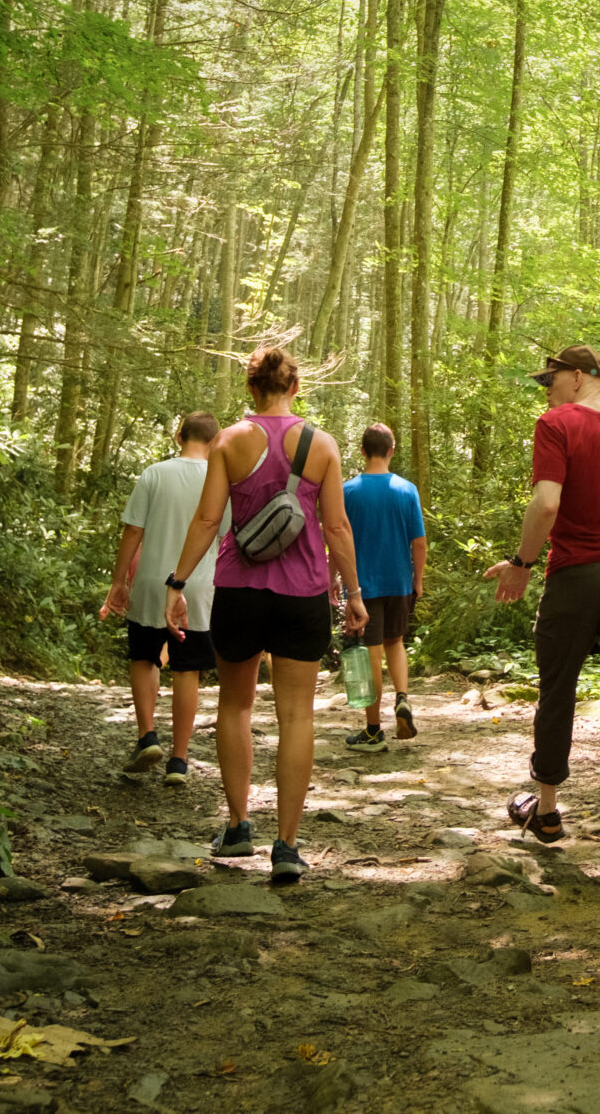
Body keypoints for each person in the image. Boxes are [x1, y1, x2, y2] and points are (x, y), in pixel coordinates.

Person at [165, 346, 365, 884]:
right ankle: (288, 845)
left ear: (251, 390)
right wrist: (355, 593)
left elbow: (209, 519)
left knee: (235, 706)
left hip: (239, 589)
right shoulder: (322, 445)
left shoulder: (228, 441)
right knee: (297, 715)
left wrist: (177, 583)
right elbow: (337, 528)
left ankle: (236, 828)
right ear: (296, 388)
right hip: (303, 593)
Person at [485, 344, 600, 877]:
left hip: (571, 574)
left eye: (551, 379)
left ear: (576, 377)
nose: (546, 389)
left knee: (558, 686)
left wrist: (522, 563)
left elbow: (547, 504)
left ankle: (546, 812)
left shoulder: (557, 425)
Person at [98, 411, 227, 783]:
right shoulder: (220, 480)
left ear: (178, 435)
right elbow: (225, 537)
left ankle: (147, 736)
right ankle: (179, 761)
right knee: (188, 669)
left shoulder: (154, 474)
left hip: (152, 580)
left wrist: (119, 580)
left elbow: (132, 531)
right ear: (216, 441)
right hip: (200, 586)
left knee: (143, 656)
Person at [341, 422, 427, 751]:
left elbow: (338, 538)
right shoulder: (407, 490)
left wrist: (336, 578)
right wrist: (417, 580)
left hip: (364, 586)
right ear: (392, 450)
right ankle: (402, 699)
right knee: (396, 642)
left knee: (372, 654)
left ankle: (374, 730)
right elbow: (419, 542)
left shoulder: (348, 491)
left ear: (362, 451)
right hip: (399, 581)